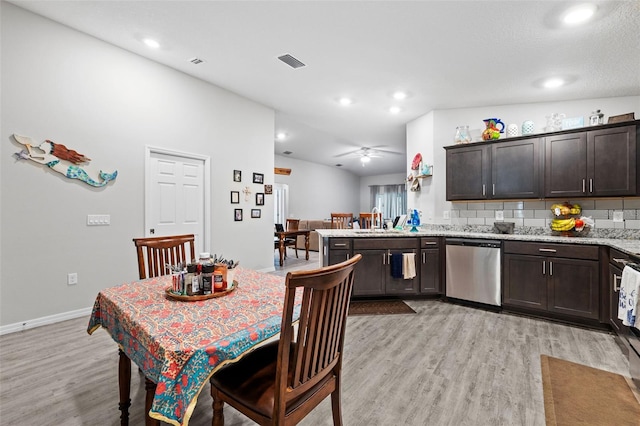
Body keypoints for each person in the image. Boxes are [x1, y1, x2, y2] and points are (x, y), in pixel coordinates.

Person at [13, 134, 117, 187]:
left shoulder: (49, 158)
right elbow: (34, 156)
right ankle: (105, 179)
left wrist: (28, 154)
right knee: (91, 181)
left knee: (91, 181)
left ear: (49, 148)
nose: (41, 146)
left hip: (70, 172)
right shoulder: (49, 157)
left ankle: (105, 180)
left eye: (43, 145)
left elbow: (37, 159)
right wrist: (28, 148)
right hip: (71, 171)